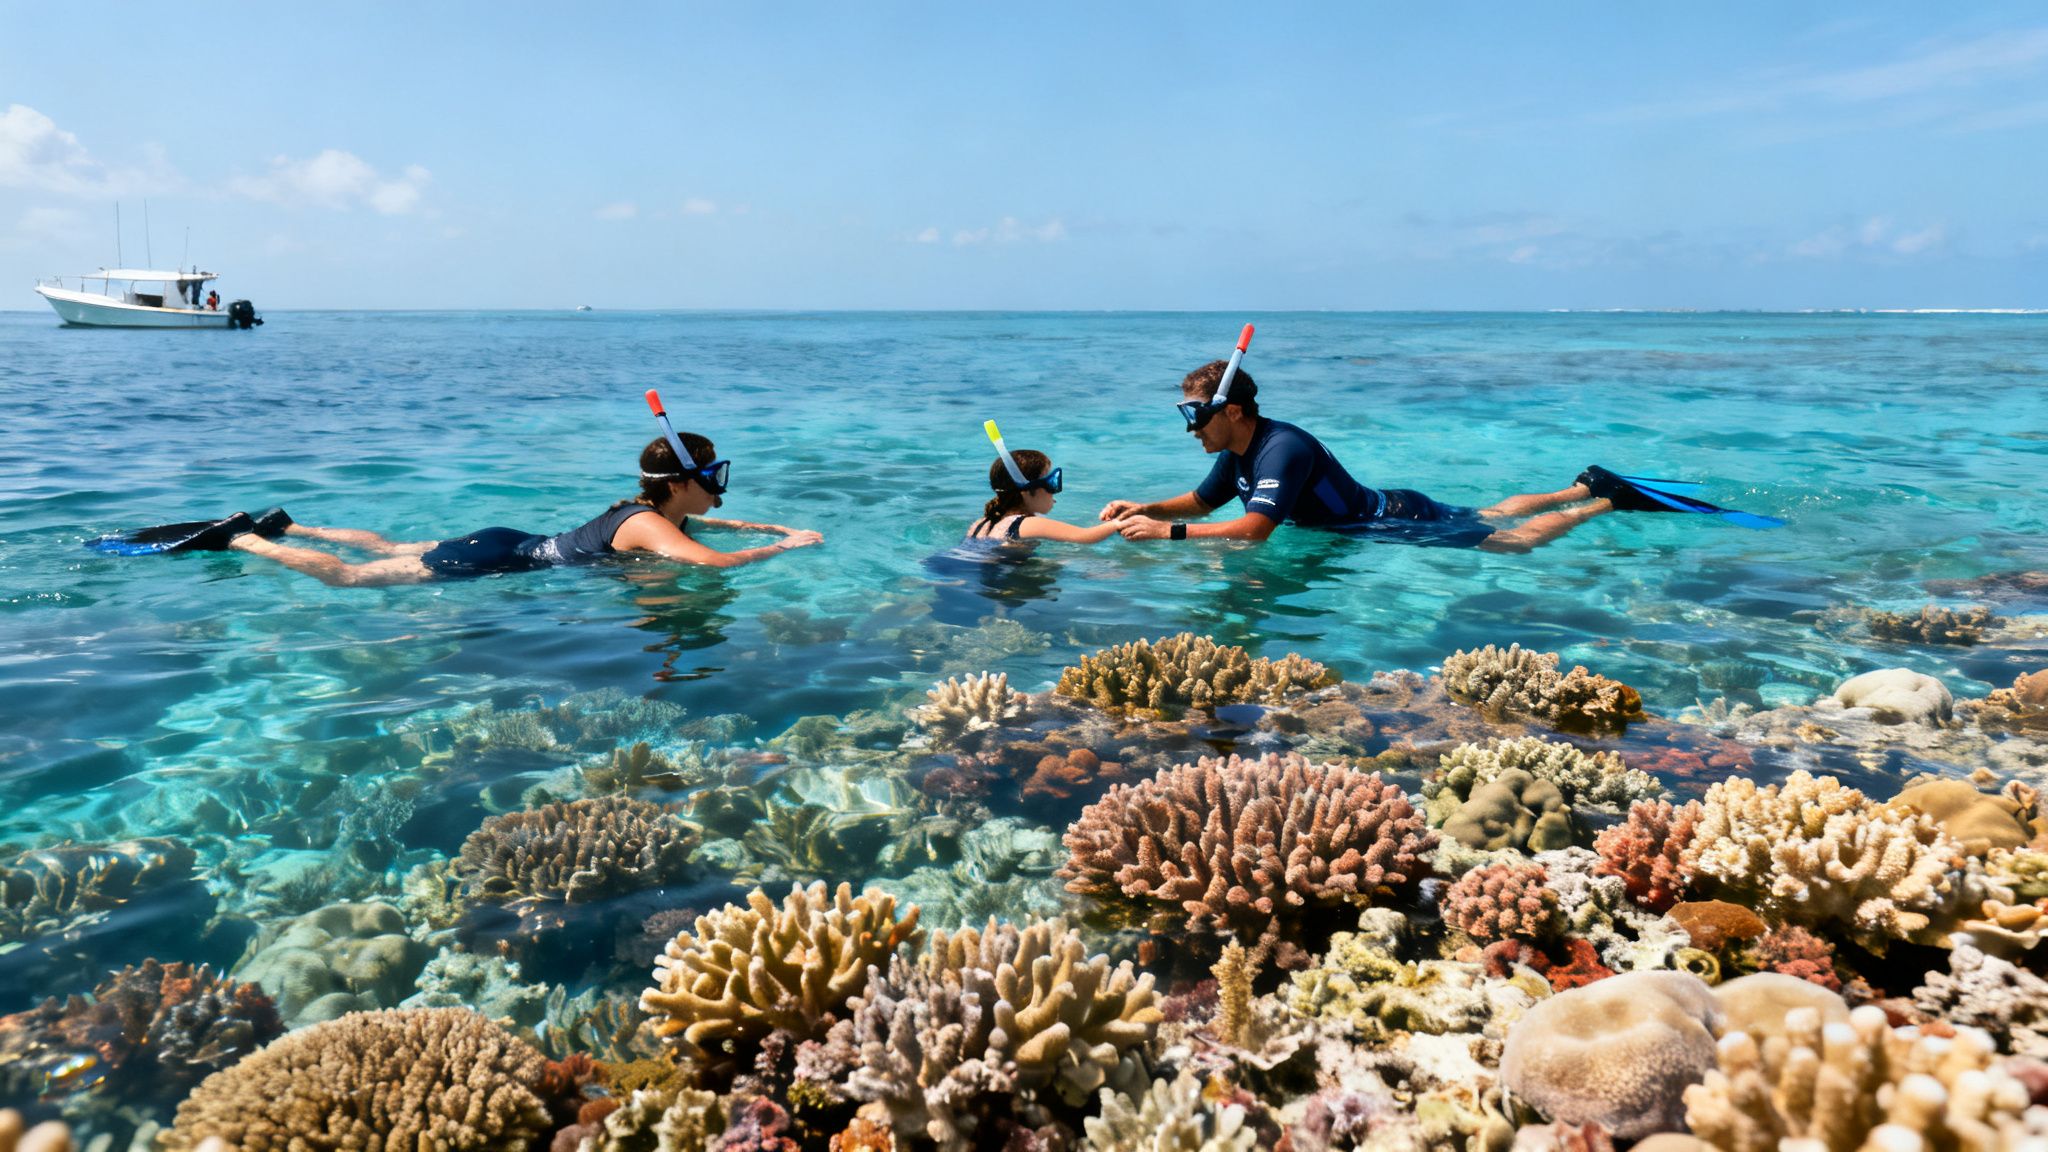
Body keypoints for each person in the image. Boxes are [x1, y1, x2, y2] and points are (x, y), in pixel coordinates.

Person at [1100, 360, 1632, 554]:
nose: (1191, 429)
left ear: (1234, 411)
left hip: (1394, 521)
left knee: (1510, 542)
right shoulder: (1239, 447)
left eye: (1198, 416)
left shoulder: (1280, 449)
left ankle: (1603, 502)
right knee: (1490, 512)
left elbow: (1254, 531)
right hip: (1388, 510)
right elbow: (1200, 502)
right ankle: (1583, 485)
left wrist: (1163, 534)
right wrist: (1143, 508)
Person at [206, 433, 821, 586]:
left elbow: (714, 526)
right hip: (505, 560)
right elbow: (715, 563)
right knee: (351, 577)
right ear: (685, 482)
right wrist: (783, 547)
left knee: (393, 544)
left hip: (510, 538)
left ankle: (292, 526)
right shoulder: (652, 527)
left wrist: (767, 524)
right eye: (711, 474)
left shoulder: (647, 512)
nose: (718, 484)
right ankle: (246, 540)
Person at [963, 447, 1121, 544]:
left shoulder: (982, 523)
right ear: (1026, 492)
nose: (1054, 491)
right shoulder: (1028, 523)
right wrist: (1118, 523)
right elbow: (1085, 537)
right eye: (1051, 483)